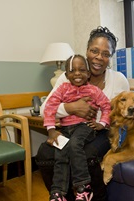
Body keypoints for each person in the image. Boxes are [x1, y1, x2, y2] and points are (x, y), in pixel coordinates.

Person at [38, 26, 130, 201]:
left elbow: (121, 115)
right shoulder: (69, 75)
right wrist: (71, 108)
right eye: (94, 51)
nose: (98, 57)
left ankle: (94, 196)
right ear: (87, 51)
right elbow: (45, 110)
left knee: (86, 154)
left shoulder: (118, 80)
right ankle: (61, 196)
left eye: (105, 54)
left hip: (102, 131)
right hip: (71, 128)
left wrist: (101, 120)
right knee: (45, 153)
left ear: (110, 58)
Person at [44, 54, 111, 201]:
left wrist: (102, 123)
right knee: (61, 151)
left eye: (81, 70)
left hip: (84, 126)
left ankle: (84, 188)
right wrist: (51, 130)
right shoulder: (62, 89)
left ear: (88, 73)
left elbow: (107, 106)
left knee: (75, 144)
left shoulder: (93, 90)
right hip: (66, 128)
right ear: (66, 75)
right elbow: (49, 107)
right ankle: (58, 193)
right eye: (72, 71)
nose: (77, 74)